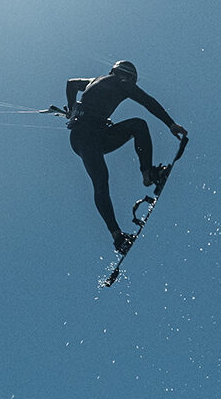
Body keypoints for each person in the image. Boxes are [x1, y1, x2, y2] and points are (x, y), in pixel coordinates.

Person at [66, 60, 187, 254]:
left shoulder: (93, 81)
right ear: (128, 76)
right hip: (87, 136)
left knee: (100, 180)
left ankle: (117, 236)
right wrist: (170, 123)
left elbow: (71, 84)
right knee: (137, 127)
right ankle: (149, 174)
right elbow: (148, 101)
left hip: (90, 136)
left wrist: (72, 109)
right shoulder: (122, 83)